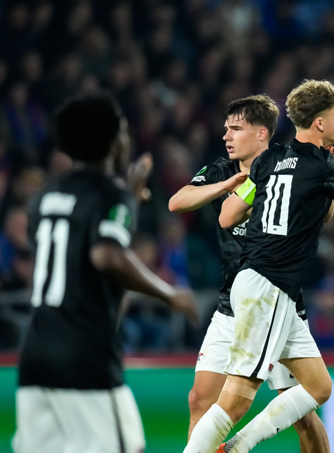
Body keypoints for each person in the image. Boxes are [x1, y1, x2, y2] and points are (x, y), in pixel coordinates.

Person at [183, 79, 334, 453]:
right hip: (269, 287)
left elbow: (227, 215)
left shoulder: (269, 161)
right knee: (235, 401)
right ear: (319, 123)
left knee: (318, 387)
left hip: (264, 285)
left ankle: (238, 446)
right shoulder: (326, 165)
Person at [13, 93, 199, 453]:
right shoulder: (109, 196)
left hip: (36, 354)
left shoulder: (44, 198)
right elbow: (107, 256)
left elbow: (79, 255)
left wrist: (128, 204)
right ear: (114, 142)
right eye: (123, 130)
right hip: (84, 355)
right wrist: (170, 294)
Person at [168, 94, 330, 451]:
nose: (226, 136)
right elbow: (177, 202)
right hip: (232, 302)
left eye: (236, 129)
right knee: (200, 399)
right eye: (226, 128)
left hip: (276, 302)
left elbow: (324, 213)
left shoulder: (289, 166)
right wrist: (226, 187)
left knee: (303, 414)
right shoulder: (221, 170)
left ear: (261, 133)